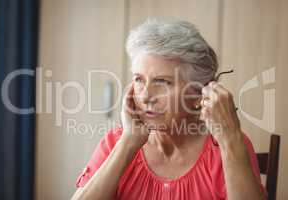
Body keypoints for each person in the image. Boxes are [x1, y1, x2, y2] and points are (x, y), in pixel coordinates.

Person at [71, 19, 266, 200]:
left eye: (162, 82)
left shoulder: (228, 145)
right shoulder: (116, 142)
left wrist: (230, 139)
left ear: (199, 93)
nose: (146, 96)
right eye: (139, 79)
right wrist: (128, 143)